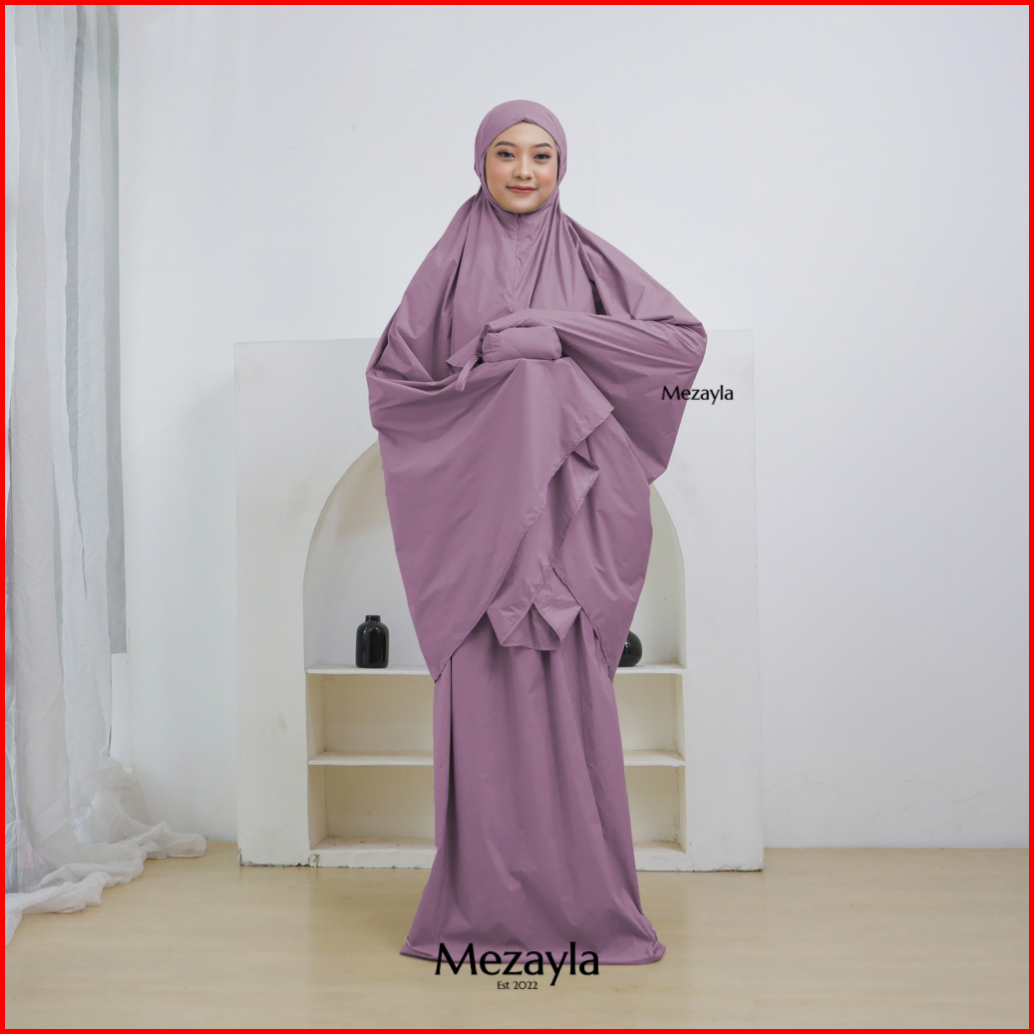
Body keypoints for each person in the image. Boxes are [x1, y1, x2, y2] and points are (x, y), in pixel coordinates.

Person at [366, 99, 707, 966]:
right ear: (481, 163)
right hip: (480, 532)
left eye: (542, 155)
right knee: (484, 707)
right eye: (507, 154)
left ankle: (589, 913)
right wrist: (490, 369)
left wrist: (560, 333)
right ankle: (477, 914)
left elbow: (679, 348)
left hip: (571, 525)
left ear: (562, 167)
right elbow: (395, 388)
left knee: (572, 699)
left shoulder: (590, 259)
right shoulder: (446, 266)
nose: (524, 170)